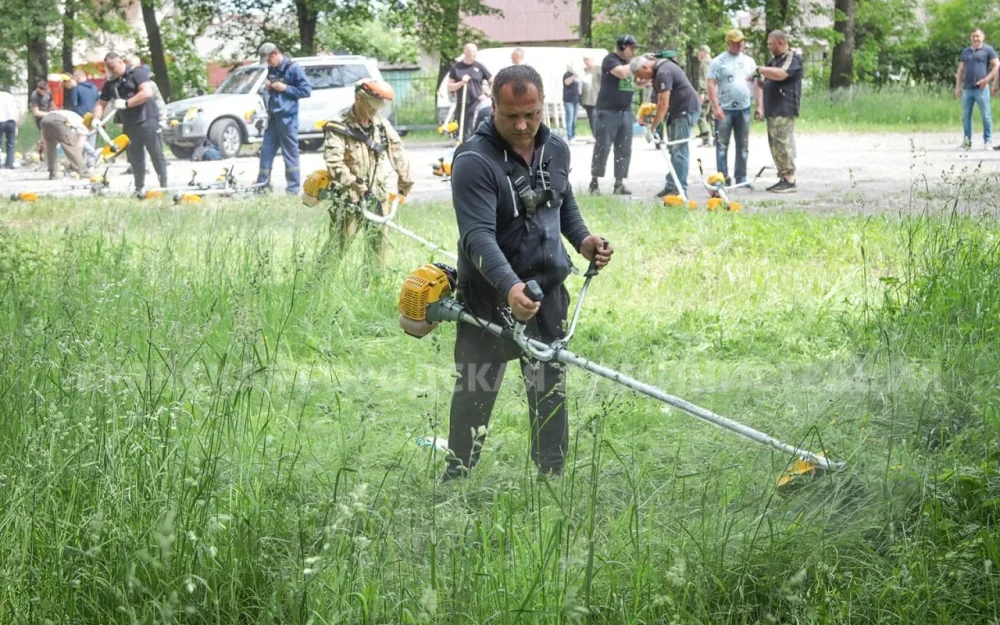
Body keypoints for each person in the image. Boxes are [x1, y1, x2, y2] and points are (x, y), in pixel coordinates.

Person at [444, 64, 615, 481]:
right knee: (476, 391)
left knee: (549, 389)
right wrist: (510, 288)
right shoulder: (473, 161)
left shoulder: (556, 147)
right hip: (490, 299)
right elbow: (477, 237)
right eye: (511, 115)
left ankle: (551, 477)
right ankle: (457, 478)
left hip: (548, 294)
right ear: (493, 108)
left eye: (532, 114)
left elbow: (563, 201)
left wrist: (584, 240)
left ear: (543, 106)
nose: (523, 125)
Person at [320, 79, 413, 267]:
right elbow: (334, 163)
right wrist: (357, 186)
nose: (374, 110)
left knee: (377, 250)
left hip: (377, 195)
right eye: (371, 105)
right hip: (348, 197)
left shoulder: (380, 124)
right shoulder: (338, 126)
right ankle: (316, 287)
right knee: (338, 246)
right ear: (358, 99)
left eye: (378, 106)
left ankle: (371, 289)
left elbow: (397, 151)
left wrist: (405, 182)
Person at [93, 52, 169, 193]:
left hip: (148, 120)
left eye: (112, 67)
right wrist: (96, 119)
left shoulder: (137, 73)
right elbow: (101, 102)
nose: (110, 70)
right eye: (108, 68)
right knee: (135, 158)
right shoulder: (111, 84)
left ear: (121, 62)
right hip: (130, 124)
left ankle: (164, 185)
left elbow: (146, 93)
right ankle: (139, 187)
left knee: (156, 154)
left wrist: (127, 103)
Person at [631, 54, 701, 198]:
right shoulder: (658, 70)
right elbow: (659, 102)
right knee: (672, 150)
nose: (642, 79)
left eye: (641, 75)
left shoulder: (664, 71)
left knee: (679, 151)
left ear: (645, 67)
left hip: (685, 110)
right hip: (676, 111)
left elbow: (663, 103)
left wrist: (653, 127)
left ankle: (680, 190)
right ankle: (671, 185)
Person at [707, 29, 762, 187]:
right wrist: (715, 106)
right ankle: (722, 177)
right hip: (724, 109)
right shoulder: (718, 61)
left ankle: (741, 177)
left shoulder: (749, 61)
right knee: (722, 145)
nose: (739, 44)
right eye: (736, 42)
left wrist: (759, 104)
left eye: (741, 41)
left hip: (744, 108)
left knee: (743, 144)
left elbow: (756, 83)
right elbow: (711, 84)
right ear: (728, 43)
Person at [255, 42, 312, 194]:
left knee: (290, 154)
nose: (268, 63)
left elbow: (306, 90)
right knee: (266, 152)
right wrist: (267, 87)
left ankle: (293, 189)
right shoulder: (272, 69)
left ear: (275, 53)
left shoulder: (294, 68)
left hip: (288, 119)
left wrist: (285, 88)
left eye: (268, 60)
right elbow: (270, 89)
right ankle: (262, 187)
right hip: (273, 118)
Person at [590, 34, 641, 195]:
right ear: (621, 47)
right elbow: (622, 73)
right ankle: (594, 182)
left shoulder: (629, 64)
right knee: (602, 147)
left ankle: (619, 183)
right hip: (608, 110)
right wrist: (639, 62)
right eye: (631, 48)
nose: (633, 52)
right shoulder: (610, 60)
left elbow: (636, 82)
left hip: (625, 111)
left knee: (624, 148)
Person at [759, 30, 803, 193]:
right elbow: (770, 80)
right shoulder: (774, 61)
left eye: (771, 43)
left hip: (784, 108)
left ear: (780, 42)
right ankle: (783, 176)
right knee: (775, 144)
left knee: (783, 143)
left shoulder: (792, 58)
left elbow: (781, 74)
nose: (769, 47)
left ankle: (790, 179)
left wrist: (760, 69)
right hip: (773, 109)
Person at [955, 28, 999, 150]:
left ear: (983, 37)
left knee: (986, 115)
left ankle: (988, 141)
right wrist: (958, 87)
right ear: (971, 37)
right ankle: (967, 142)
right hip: (967, 89)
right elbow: (960, 70)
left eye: (978, 36)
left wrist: (987, 79)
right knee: (966, 116)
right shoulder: (966, 51)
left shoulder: (988, 50)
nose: (975, 39)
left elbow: (997, 65)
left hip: (981, 88)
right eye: (973, 36)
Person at [448, 43, 494, 141]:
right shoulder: (456, 68)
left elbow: (493, 81)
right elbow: (450, 87)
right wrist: (462, 82)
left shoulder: (479, 67)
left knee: (474, 127)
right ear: (466, 52)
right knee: (463, 129)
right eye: (473, 52)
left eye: (476, 52)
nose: (475, 54)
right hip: (463, 103)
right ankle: (463, 146)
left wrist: (487, 94)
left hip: (477, 103)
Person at [39, 109, 91, 179]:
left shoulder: (75, 117)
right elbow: (78, 146)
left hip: (45, 120)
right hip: (58, 121)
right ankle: (83, 172)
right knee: (71, 146)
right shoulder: (84, 126)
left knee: (50, 147)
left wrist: (42, 143)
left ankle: (52, 173)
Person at [696, 45, 713, 146]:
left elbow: (704, 78)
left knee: (700, 114)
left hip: (706, 93)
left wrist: (702, 92)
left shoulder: (704, 63)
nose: (698, 55)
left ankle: (705, 138)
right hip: (714, 92)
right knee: (712, 114)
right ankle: (717, 138)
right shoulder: (714, 62)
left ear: (703, 52)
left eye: (698, 53)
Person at [580, 56, 601, 133]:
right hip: (586, 99)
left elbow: (603, 83)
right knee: (591, 119)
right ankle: (595, 136)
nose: (585, 61)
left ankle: (597, 136)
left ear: (592, 59)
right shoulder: (584, 71)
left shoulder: (598, 69)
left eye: (587, 59)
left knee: (595, 118)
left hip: (596, 99)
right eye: (584, 60)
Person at [0, 88, 18, 169]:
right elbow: (15, 112)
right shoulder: (9, 96)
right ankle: (9, 164)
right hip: (11, 122)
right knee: (11, 144)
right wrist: (16, 126)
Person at [563, 63, 580, 142]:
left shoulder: (577, 76)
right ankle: (569, 136)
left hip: (576, 100)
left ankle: (573, 135)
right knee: (569, 118)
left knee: (574, 119)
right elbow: (567, 82)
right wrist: (574, 76)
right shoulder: (567, 75)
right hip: (568, 100)